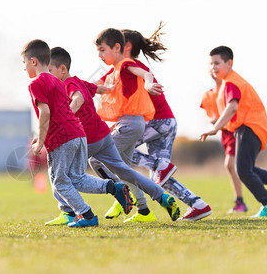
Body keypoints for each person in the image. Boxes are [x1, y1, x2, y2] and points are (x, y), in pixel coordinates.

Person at [45, 46, 180, 225]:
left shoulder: (68, 85)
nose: (47, 77)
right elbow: (99, 89)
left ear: (62, 69)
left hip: (88, 140)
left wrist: (64, 119)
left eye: (50, 71)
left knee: (62, 175)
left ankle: (69, 212)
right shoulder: (79, 81)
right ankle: (161, 197)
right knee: (124, 170)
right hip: (104, 137)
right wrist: (110, 88)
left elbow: (78, 99)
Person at [98, 27, 211, 221]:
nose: (103, 53)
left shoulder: (129, 65)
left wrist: (149, 83)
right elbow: (102, 86)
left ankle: (133, 190)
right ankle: (198, 204)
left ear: (125, 47)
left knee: (117, 152)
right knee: (160, 178)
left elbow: (144, 77)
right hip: (166, 122)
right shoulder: (119, 68)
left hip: (156, 123)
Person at [21, 39, 132, 228]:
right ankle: (114, 187)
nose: (24, 68)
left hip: (61, 138)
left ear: (33, 61)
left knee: (59, 182)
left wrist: (40, 141)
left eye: (24, 63)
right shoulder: (56, 81)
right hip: (79, 134)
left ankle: (87, 215)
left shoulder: (36, 84)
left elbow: (45, 112)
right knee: (76, 178)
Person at [90, 28, 180, 222]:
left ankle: (123, 193)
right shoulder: (114, 71)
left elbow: (145, 73)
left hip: (129, 125)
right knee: (124, 169)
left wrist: (148, 84)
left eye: (102, 50)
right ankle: (145, 210)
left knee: (96, 159)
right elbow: (95, 87)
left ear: (117, 47)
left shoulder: (124, 64)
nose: (99, 55)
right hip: (131, 124)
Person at [200, 46, 267, 217]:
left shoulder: (230, 82)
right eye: (211, 64)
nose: (213, 67)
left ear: (229, 63)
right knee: (245, 168)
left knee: (242, 170)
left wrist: (215, 128)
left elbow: (232, 107)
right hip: (250, 128)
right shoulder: (228, 81)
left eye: (217, 63)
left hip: (249, 127)